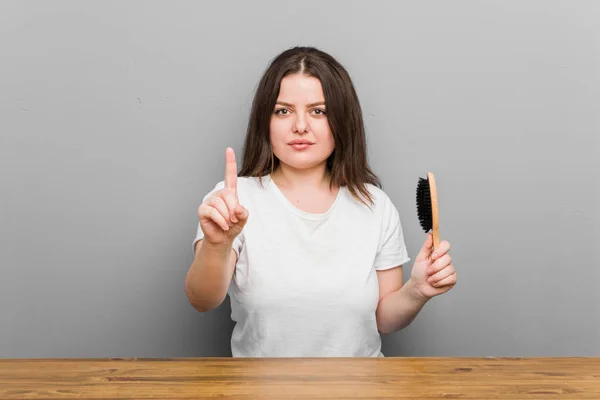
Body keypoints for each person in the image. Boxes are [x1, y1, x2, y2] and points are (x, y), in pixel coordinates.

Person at [185, 46, 457, 357]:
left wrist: (417, 291)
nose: (300, 126)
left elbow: (382, 320)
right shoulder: (231, 201)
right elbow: (201, 300)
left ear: (342, 121)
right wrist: (218, 245)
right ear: (265, 121)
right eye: (283, 111)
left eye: (318, 111)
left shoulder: (376, 206)